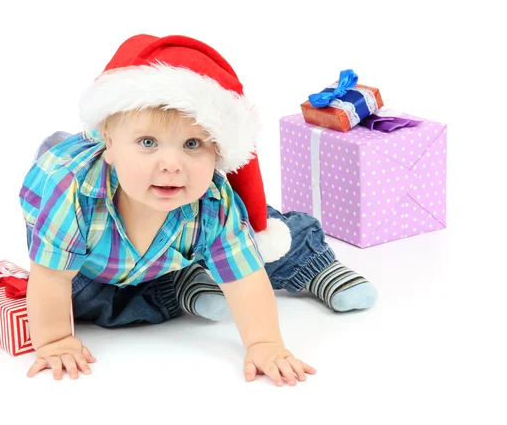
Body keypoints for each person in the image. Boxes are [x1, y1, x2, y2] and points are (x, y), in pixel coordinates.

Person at [19, 34, 378, 386]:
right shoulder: (72, 192)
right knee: (90, 305)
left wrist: (264, 343)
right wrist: (54, 340)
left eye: (192, 144)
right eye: (148, 143)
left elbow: (246, 279)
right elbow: (50, 279)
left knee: (261, 235)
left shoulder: (212, 200)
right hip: (90, 264)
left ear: (217, 152)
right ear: (109, 144)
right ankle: (176, 284)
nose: (171, 164)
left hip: (176, 239)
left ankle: (313, 264)